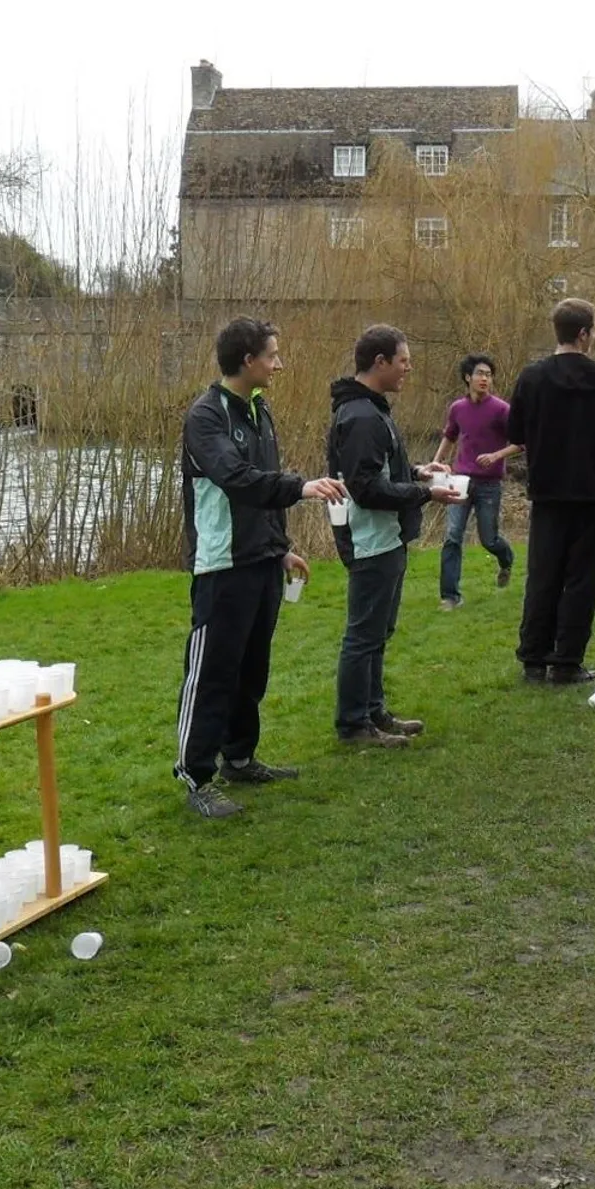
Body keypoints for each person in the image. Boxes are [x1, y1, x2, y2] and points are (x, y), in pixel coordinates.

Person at [175, 317, 346, 820]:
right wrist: (302, 487)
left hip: (262, 563)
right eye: (272, 355)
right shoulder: (206, 417)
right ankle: (196, 776)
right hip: (222, 568)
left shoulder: (259, 410)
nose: (279, 363)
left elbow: (262, 485)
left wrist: (282, 547)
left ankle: (240, 758)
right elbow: (237, 479)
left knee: (252, 670)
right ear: (247, 360)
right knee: (211, 675)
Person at [328, 325, 464, 746]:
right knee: (363, 634)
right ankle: (353, 724)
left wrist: (419, 471)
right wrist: (426, 493)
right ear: (380, 362)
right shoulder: (362, 416)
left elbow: (380, 471)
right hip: (371, 540)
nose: (409, 368)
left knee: (378, 632)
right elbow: (365, 489)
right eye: (403, 361)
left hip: (387, 539)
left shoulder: (373, 410)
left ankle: (374, 711)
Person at [506, 298, 595, 685]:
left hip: (547, 490)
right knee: (581, 577)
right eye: (594, 330)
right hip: (591, 490)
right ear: (583, 334)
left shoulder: (531, 378)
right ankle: (566, 661)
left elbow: (514, 433)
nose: (594, 336)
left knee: (543, 574)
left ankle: (533, 659)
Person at [431, 353, 518, 610]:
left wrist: (496, 456)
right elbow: (449, 436)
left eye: (489, 375)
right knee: (452, 536)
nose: (485, 379)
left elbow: (520, 442)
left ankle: (506, 560)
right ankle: (450, 597)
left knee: (488, 539)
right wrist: (435, 464)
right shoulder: (457, 408)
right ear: (468, 377)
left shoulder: (502, 409)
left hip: (489, 484)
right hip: (460, 480)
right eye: (480, 374)